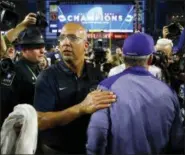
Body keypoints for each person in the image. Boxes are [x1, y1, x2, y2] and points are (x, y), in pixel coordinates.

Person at [86, 33, 184, 155]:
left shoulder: (106, 87)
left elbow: (97, 135)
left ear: (123, 56)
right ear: (150, 59)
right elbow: (177, 142)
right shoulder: (168, 92)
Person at [33, 22, 116, 154]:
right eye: (62, 38)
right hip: (56, 151)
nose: (65, 43)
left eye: (72, 38)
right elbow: (39, 121)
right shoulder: (47, 76)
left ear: (86, 45)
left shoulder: (96, 74)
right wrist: (80, 108)